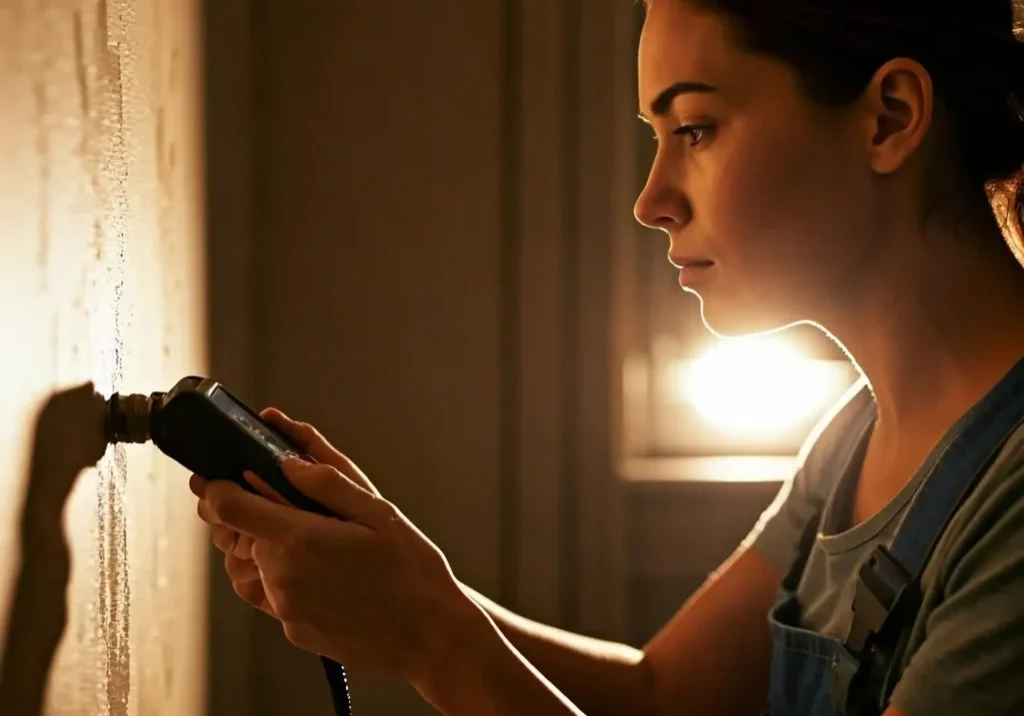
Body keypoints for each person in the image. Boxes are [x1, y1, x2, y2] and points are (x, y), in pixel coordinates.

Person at [190, 1, 1024, 714]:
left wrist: (428, 637)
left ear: (891, 116)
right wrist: (407, 584)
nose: (650, 200)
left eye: (695, 128)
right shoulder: (859, 431)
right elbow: (659, 699)